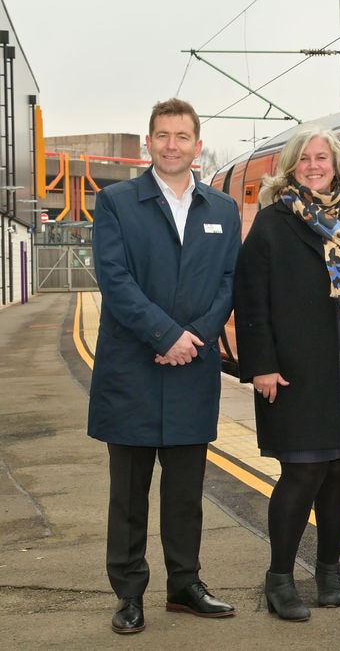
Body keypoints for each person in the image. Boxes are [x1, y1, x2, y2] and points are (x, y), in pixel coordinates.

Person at [233, 127, 340, 622]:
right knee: (303, 472)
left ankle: (329, 574)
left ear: (337, 165)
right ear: (290, 166)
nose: (314, 165)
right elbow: (251, 298)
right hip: (299, 373)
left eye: (323, 158)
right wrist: (261, 365)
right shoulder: (272, 223)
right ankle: (280, 580)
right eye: (305, 158)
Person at [88, 98, 241, 634]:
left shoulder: (222, 209)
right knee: (127, 495)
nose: (172, 145)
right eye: (163, 136)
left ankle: (184, 586)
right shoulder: (115, 202)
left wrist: (193, 337)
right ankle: (129, 594)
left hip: (191, 369)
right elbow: (115, 281)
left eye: (182, 137)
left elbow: (228, 283)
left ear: (197, 147)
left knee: (185, 493)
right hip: (132, 370)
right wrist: (166, 334)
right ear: (148, 144)